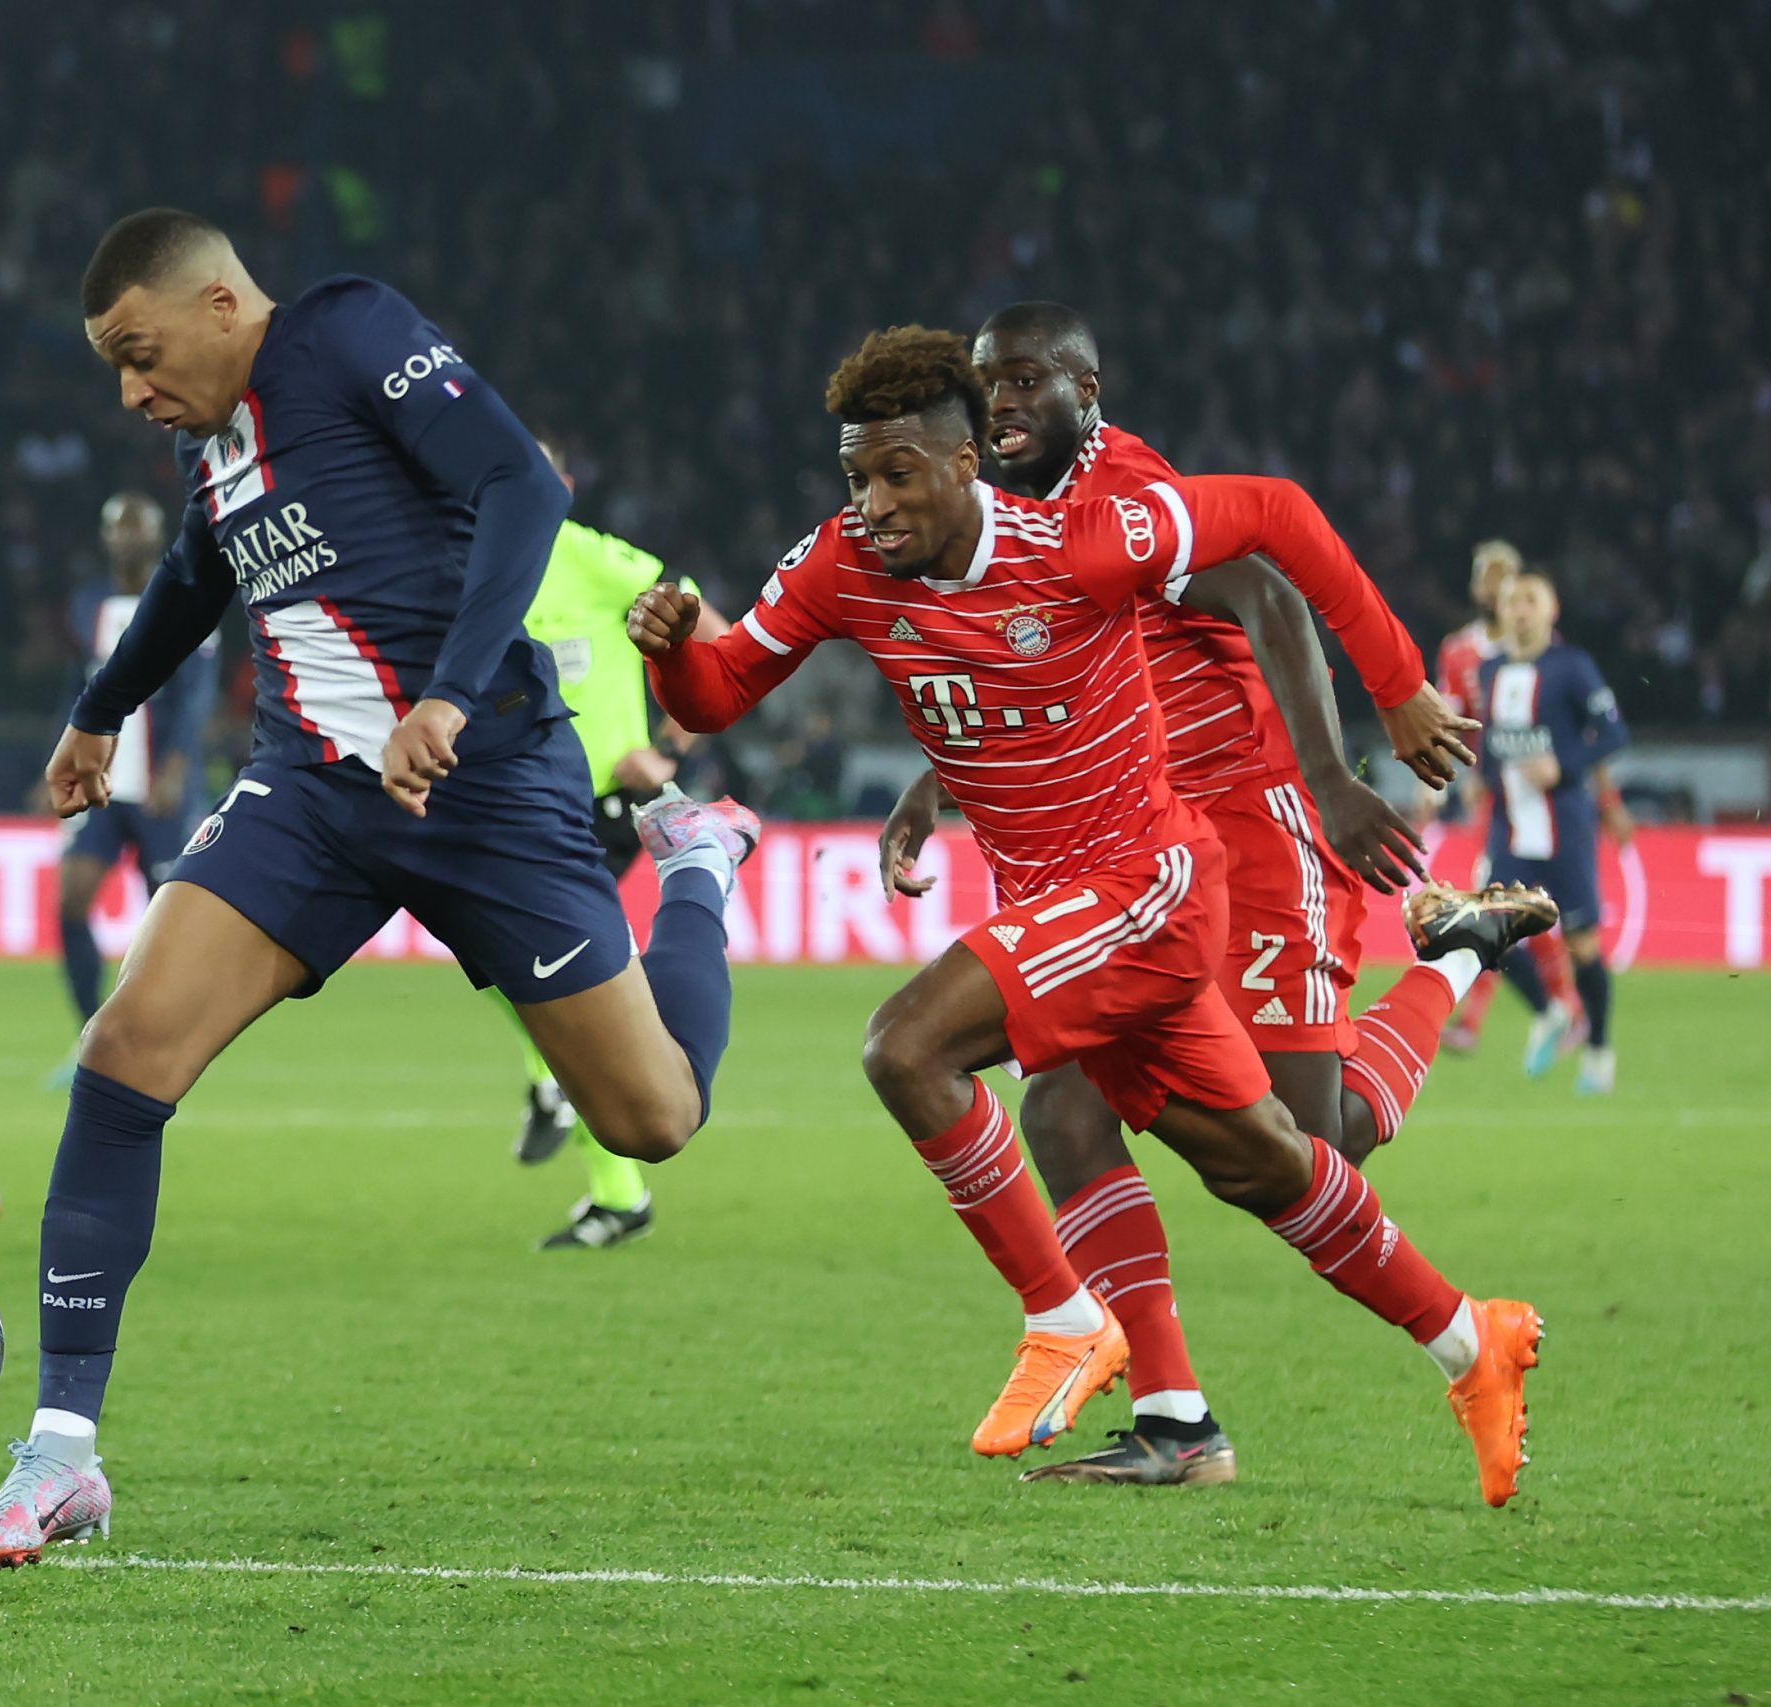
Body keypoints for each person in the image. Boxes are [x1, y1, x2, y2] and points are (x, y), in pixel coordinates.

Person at [0, 210, 758, 1571]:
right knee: (126, 1052)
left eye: (139, 354)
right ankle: (60, 1451)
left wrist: (447, 691)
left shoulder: (345, 331)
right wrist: (98, 711)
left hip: (487, 780)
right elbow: (193, 578)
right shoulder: (218, 450)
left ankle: (696, 863)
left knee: (654, 1113)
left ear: (218, 303)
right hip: (313, 797)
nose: (130, 393)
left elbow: (523, 486)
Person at [637, 325, 1541, 1508]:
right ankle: (1454, 1347)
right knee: (1253, 1159)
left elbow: (1272, 518)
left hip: (1146, 887)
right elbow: (718, 693)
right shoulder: (840, 562)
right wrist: (670, 654)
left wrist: (1398, 684)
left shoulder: (1085, 538)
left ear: (964, 465)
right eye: (857, 475)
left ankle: (1065, 1319)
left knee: (906, 1048)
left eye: (898, 472)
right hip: (1062, 902)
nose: (872, 502)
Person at [502, 437, 732, 1249]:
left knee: (562, 989)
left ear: (563, 485)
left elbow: (705, 619)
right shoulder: (472, 558)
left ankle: (568, 1111)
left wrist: (682, 731)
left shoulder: (591, 557)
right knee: (517, 975)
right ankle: (608, 1178)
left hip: (594, 806)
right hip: (514, 801)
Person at [50, 490, 217, 1083]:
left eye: (135, 526)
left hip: (157, 787)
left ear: (155, 534)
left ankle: (173, 1038)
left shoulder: (183, 593)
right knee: (71, 900)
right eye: (116, 527)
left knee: (165, 919)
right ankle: (91, 1036)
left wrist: (175, 766)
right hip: (102, 784)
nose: (126, 536)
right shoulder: (87, 602)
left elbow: (198, 691)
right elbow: (78, 688)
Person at [1478, 573, 1630, 1092]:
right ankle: (1549, 1012)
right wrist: (1479, 781)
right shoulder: (1490, 669)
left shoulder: (1572, 667)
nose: (1520, 611)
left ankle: (1599, 1051)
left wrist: (1563, 768)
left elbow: (1613, 731)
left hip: (1565, 826)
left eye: (1530, 601)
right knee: (1488, 932)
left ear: (1551, 610)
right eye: (1512, 602)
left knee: (1583, 944)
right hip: (1511, 827)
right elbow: (1488, 741)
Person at [1434, 540, 1580, 1052]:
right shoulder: (1459, 651)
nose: (1497, 588)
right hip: (1491, 797)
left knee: (1502, 904)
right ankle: (1561, 1011)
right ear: (1477, 586)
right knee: (1505, 905)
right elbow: (1445, 724)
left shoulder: (1545, 647)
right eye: (1487, 576)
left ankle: (1554, 1011)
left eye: (1506, 577)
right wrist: (1442, 782)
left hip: (1538, 802)